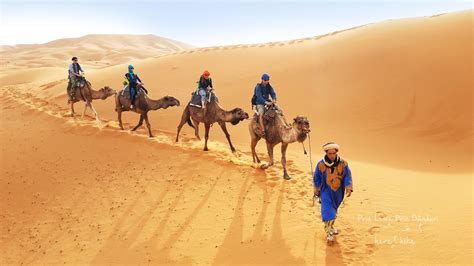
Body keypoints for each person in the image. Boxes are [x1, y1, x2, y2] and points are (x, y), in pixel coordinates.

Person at [313, 142, 353, 242]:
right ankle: (329, 233)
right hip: (325, 191)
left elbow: (348, 175)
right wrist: (316, 189)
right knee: (328, 212)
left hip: (338, 192)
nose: (331, 155)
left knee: (333, 211)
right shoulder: (321, 164)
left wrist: (348, 187)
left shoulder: (343, 163)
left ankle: (331, 228)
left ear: (336, 153)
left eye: (333, 153)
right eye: (329, 153)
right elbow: (316, 177)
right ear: (326, 153)